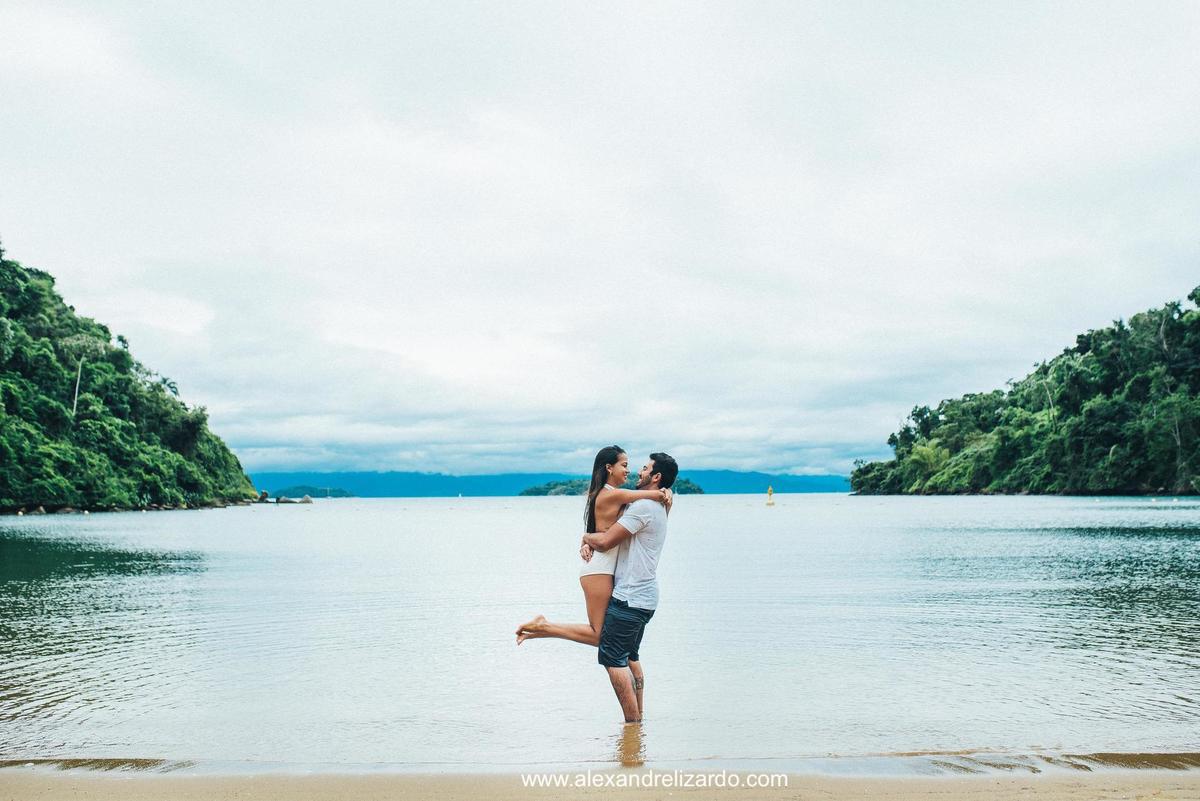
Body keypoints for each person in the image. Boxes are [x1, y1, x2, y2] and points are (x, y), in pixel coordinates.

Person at [518, 451, 678, 723]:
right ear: (609, 468)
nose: (634, 471)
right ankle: (636, 724)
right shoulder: (637, 500)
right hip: (618, 581)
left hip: (627, 591)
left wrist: (587, 538)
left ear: (657, 476)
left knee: (611, 650)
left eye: (641, 467)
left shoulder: (640, 504)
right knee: (613, 648)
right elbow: (606, 536)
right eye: (627, 465)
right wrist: (664, 494)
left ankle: (635, 725)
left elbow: (605, 537)